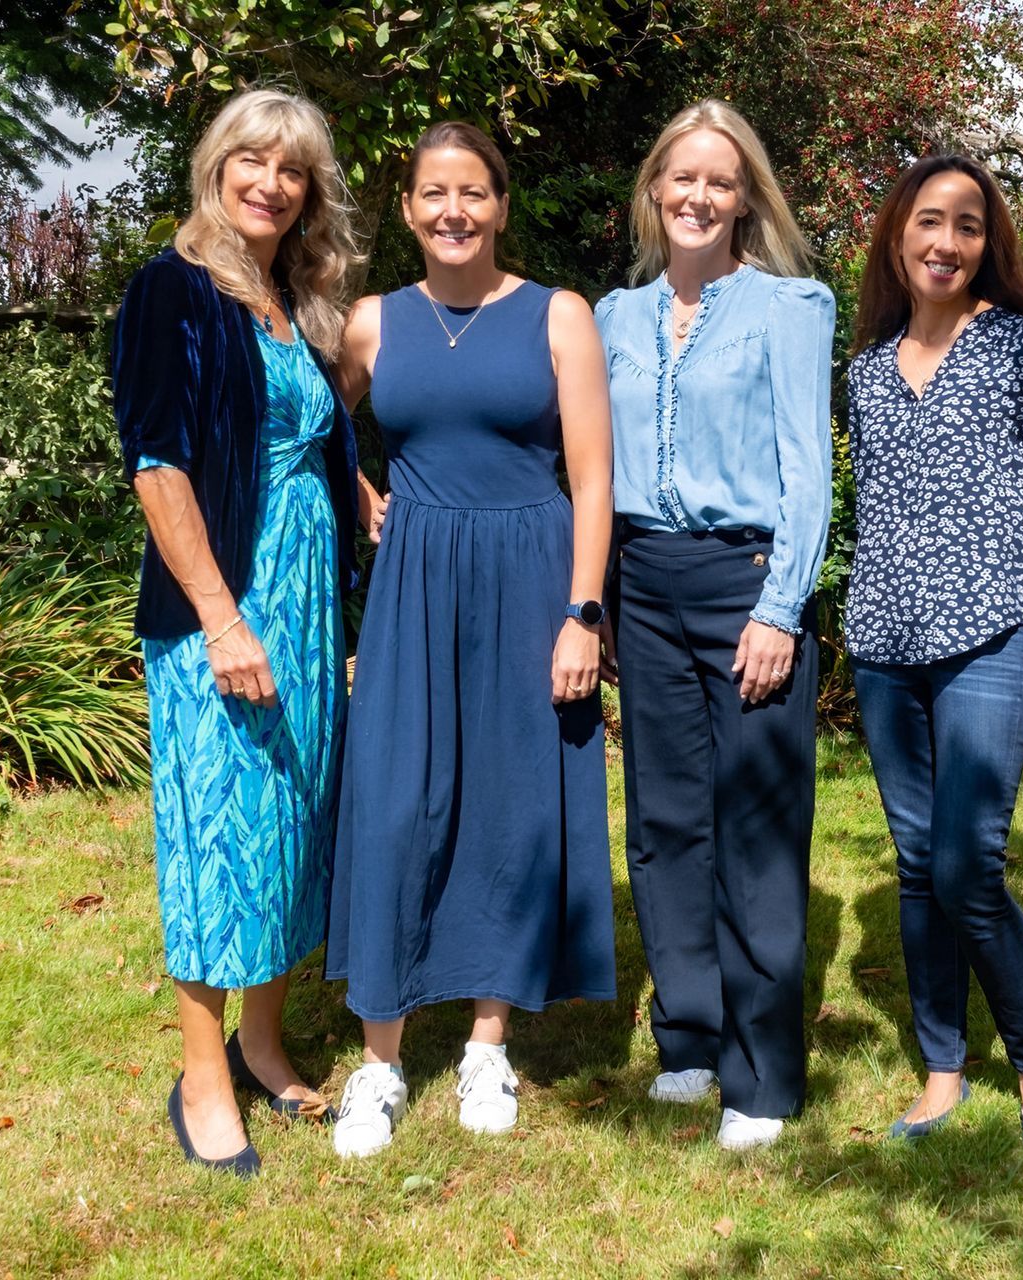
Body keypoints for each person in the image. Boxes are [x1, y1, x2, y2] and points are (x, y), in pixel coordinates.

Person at [323, 120, 616, 1158]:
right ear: (407, 209)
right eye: (434, 193)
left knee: (508, 800)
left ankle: (488, 1042)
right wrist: (359, 491)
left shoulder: (556, 316)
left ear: (501, 205)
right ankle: (381, 1058)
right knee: (397, 800)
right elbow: (307, 426)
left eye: (474, 193)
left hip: (532, 578)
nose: (454, 211)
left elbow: (592, 478)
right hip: (415, 587)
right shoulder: (371, 323)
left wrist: (584, 612)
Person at [113, 88, 379, 1176]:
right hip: (220, 605)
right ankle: (202, 1074)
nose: (271, 184)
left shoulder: (288, 298)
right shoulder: (170, 292)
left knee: (291, 821)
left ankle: (264, 1040)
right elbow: (159, 462)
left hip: (309, 606)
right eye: (253, 162)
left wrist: (362, 498)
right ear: (216, 167)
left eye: (293, 170)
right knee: (218, 836)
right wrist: (222, 618)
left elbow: (310, 436)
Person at [594, 100, 834, 1153]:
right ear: (655, 190)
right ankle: (688, 1041)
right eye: (681, 178)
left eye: (720, 183)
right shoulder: (612, 316)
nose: (697, 197)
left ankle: (764, 1074)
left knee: (756, 829)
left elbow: (810, 471)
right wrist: (597, 596)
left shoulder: (789, 305)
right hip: (642, 581)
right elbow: (593, 472)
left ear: (747, 200)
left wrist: (782, 604)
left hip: (745, 581)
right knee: (666, 820)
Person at [844, 154, 1023, 1158]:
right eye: (930, 221)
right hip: (887, 640)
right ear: (899, 233)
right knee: (913, 863)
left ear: (990, 243)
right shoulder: (863, 370)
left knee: (966, 861)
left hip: (995, 629)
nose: (947, 241)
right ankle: (942, 1068)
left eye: (969, 225)